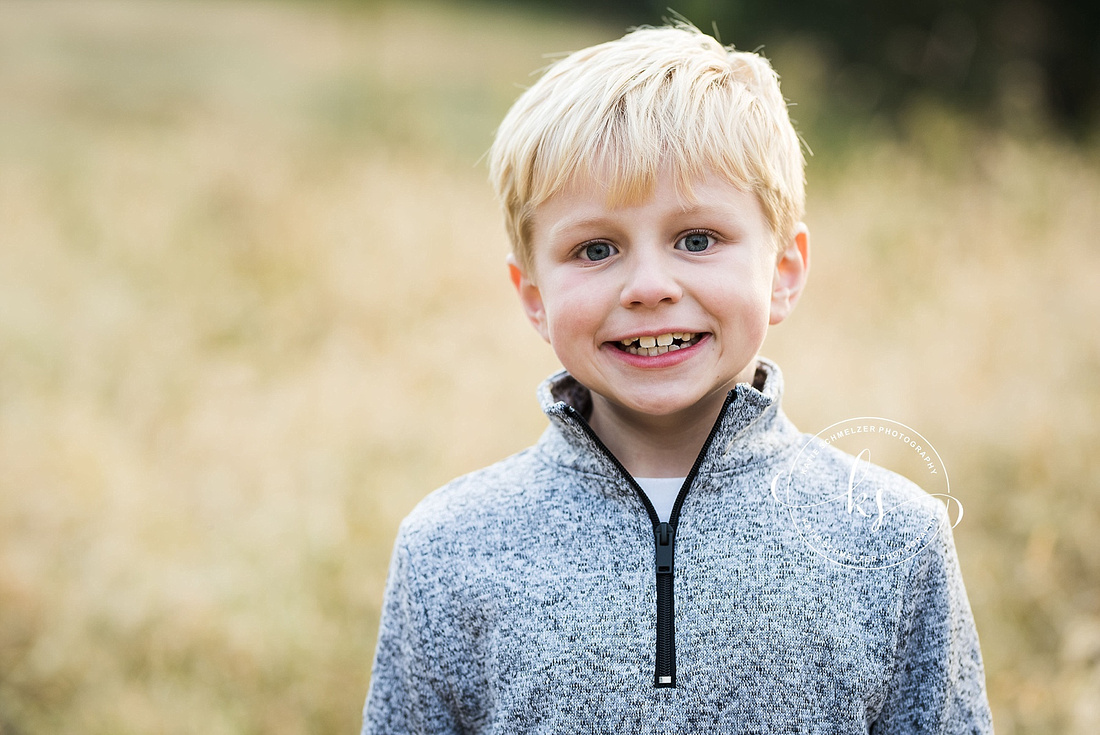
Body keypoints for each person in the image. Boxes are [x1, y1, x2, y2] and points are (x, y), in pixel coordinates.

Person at [362, 22, 992, 733]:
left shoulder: (895, 539)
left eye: (697, 239)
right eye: (595, 248)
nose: (649, 286)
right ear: (534, 296)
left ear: (784, 271)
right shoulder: (449, 548)